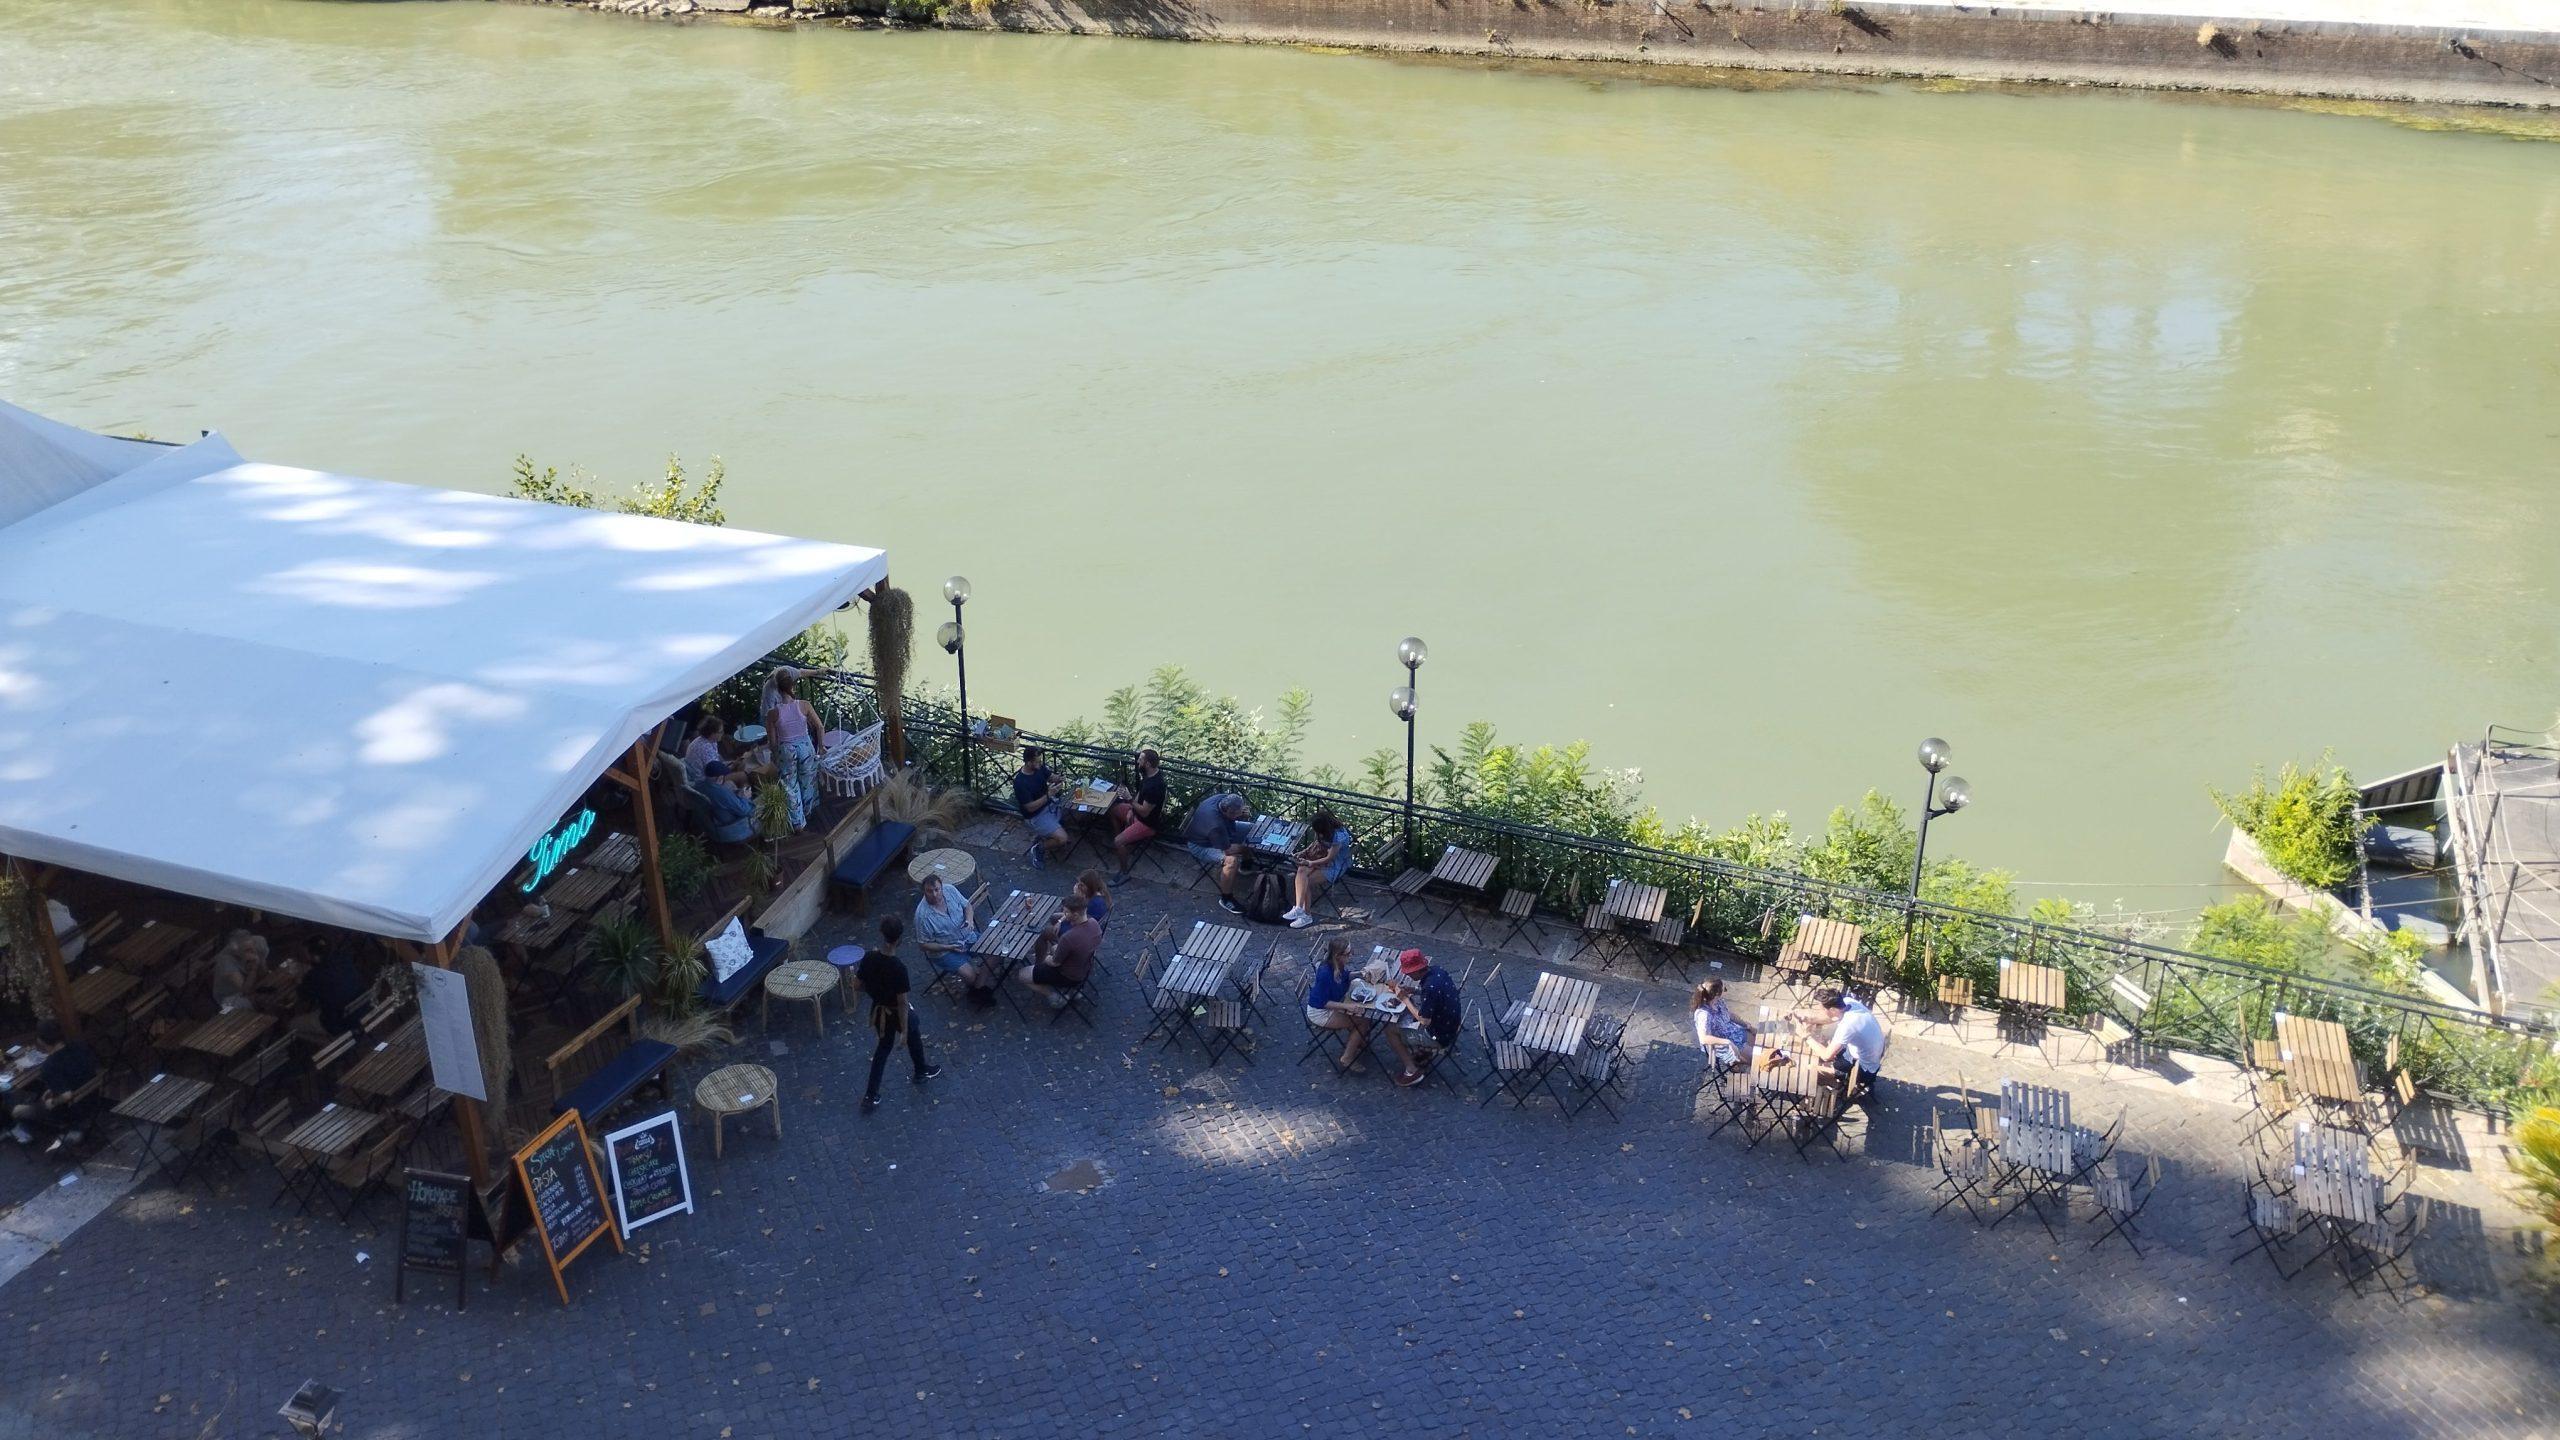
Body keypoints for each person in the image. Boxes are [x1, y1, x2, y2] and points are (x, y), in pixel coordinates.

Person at [856, 917, 941, 1113]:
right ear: (900, 939)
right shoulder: (898, 968)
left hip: (879, 1011)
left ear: (881, 934)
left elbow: (857, 985)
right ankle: (920, 1071)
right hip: (895, 1012)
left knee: (883, 1049)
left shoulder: (869, 958)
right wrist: (902, 1031)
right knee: (913, 1031)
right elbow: (902, 1003)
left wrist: (874, 991)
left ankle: (871, 1094)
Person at [8, 1020, 98, 1150]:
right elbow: (76, 1073)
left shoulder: (50, 1066)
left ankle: (65, 1132)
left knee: (17, 1111)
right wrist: (52, 1088)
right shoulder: (79, 1046)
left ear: (41, 1041)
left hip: (74, 1109)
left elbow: (67, 1096)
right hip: (93, 1096)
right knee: (40, 1096)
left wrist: (53, 1102)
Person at [912, 873, 993, 1000]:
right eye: (929, 891)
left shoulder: (950, 890)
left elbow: (967, 906)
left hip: (968, 937)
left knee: (996, 951)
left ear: (941, 887)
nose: (934, 894)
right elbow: (923, 945)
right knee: (969, 975)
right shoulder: (922, 916)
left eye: (937, 890)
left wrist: (969, 920)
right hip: (945, 951)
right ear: (923, 891)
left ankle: (978, 987)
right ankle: (977, 986)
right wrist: (949, 947)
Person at [1797, 989, 1888, 1102]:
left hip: (1863, 1070)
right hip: (1863, 1056)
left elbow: (1827, 1056)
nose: (1820, 1011)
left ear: (1833, 1009)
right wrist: (1809, 1019)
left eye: (1822, 1009)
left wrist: (1806, 1036)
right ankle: (1834, 1076)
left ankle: (1837, 1087)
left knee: (1809, 1070)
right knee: (1824, 1042)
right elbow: (1831, 1018)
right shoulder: (1849, 1002)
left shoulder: (1848, 1025)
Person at [1021, 880, 1102, 1007]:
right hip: (1085, 969)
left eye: (1066, 913)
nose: (1064, 915)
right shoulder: (1095, 924)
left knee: (1023, 974)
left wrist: (1046, 957)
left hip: (1069, 976)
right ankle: (1075, 992)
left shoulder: (1068, 938)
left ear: (1075, 915)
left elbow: (1054, 963)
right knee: (1054, 947)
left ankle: (1055, 997)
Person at [763, 667, 824, 832]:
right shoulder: (804, 705)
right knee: (808, 780)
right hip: (805, 747)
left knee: (790, 785)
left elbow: (773, 741)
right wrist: (821, 747)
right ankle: (808, 811)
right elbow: (819, 726)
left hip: (786, 750)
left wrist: (775, 756)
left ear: (776, 688)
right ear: (793, 686)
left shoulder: (772, 713)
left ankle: (798, 823)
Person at [1392, 948, 1462, 1086]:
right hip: (1451, 1024)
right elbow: (1436, 995)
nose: (1408, 976)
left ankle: (1411, 1071)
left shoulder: (1430, 987)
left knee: (1390, 1029)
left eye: (1409, 973)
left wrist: (1405, 999)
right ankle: (1423, 1052)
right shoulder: (1437, 970)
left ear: (1417, 970)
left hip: (1439, 1036)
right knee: (1407, 1012)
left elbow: (1424, 1020)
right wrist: (1415, 991)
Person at [1106, 748, 1169, 885]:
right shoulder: (1148, 775)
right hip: (1137, 813)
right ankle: (1124, 844)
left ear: (1147, 764)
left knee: (1118, 841)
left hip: (1147, 824)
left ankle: (1124, 872)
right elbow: (1140, 794)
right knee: (1112, 809)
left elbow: (1145, 812)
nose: (1137, 761)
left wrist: (1129, 800)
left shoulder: (1156, 786)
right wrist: (1131, 810)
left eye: (1140, 759)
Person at [1282, 809, 1354, 930]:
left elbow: (1329, 858)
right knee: (1301, 871)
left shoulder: (1339, 836)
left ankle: (1306, 915)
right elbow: (1316, 844)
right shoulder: (1325, 831)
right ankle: (1299, 908)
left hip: (1335, 866)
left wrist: (1309, 862)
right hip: (1320, 859)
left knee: (1306, 882)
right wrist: (1303, 853)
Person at [1183, 793, 1251, 914]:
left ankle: (1246, 864)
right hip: (1201, 845)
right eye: (1237, 814)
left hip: (1220, 832)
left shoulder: (1221, 798)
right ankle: (1226, 899)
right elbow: (1228, 850)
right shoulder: (1216, 825)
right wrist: (1246, 848)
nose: (1240, 814)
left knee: (1253, 829)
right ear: (1228, 813)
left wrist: (1240, 814)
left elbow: (1234, 811)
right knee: (1231, 861)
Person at [1013, 746, 1068, 870]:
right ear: (1029, 762)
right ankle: (1039, 848)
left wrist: (1059, 778)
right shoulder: (1020, 783)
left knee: (1078, 812)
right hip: (1036, 816)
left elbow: (1051, 777)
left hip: (1051, 805)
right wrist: (1048, 795)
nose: (1040, 763)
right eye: (1037, 761)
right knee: (1063, 838)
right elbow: (1030, 808)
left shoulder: (1039, 767)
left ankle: (1049, 833)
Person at [298, 942, 368, 1039]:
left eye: (307, 956)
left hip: (339, 1022)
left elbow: (304, 996)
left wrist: (303, 979)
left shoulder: (315, 975)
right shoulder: (344, 959)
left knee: (292, 1026)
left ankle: (332, 1046)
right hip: (363, 1009)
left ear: (315, 957)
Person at [1690, 978, 1751, 1068]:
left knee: (1762, 1042)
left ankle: (1737, 1062)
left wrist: (1746, 1025)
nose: (1725, 990)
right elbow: (1704, 1038)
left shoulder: (1719, 1002)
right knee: (1758, 1058)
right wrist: (1728, 1042)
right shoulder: (1704, 1015)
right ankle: (1735, 1062)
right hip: (1721, 1044)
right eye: (1724, 989)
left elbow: (1729, 1015)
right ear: (1716, 995)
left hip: (1733, 1031)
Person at [693, 761, 759, 844]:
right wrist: (745, 797)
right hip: (732, 828)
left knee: (730, 785)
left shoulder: (699, 785)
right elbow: (745, 811)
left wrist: (737, 795)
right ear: (720, 778)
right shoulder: (721, 793)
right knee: (763, 802)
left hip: (713, 824)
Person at [210, 930, 271, 1013]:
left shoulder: (259, 942)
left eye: (252, 948)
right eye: (247, 950)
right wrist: (254, 969)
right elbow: (245, 990)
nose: (251, 951)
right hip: (231, 995)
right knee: (257, 1005)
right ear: (236, 950)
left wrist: (259, 960)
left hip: (254, 985)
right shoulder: (225, 960)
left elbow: (265, 974)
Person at [682, 713, 728, 786]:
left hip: (698, 773)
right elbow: (713, 773)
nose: (723, 733)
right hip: (701, 782)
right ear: (712, 733)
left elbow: (717, 757)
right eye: (720, 732)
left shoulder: (707, 740)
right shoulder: (706, 749)